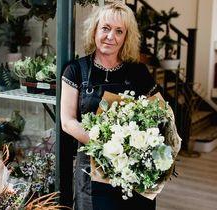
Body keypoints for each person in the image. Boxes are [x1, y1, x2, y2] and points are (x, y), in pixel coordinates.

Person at [60, 1, 164, 210]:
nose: (111, 36)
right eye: (105, 28)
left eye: (119, 31)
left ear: (126, 37)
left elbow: (161, 112)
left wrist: (134, 147)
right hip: (92, 169)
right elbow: (68, 121)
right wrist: (107, 146)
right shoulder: (76, 70)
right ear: (94, 30)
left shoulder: (137, 72)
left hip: (133, 170)